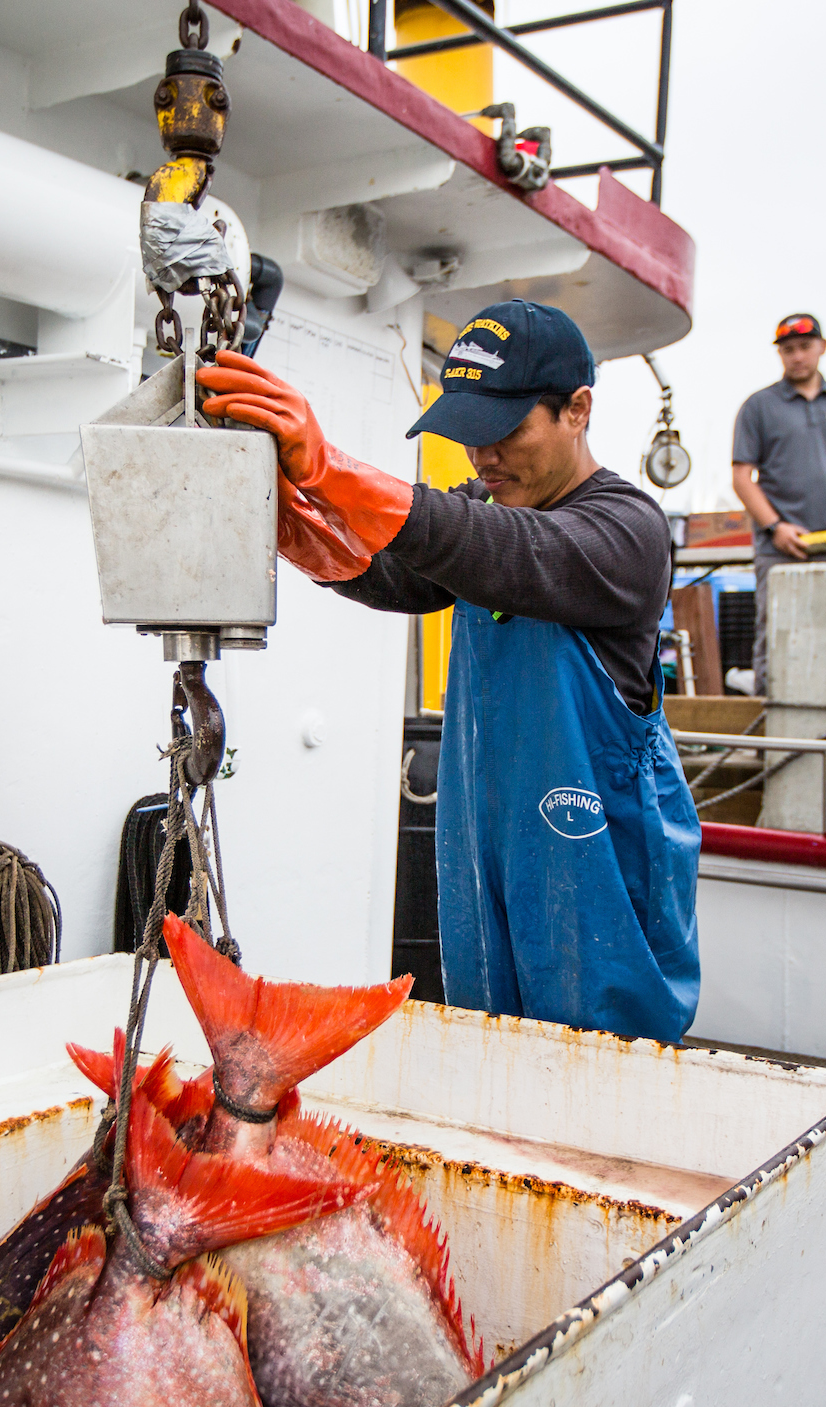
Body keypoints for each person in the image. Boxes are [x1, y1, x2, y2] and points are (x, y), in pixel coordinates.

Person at [196, 300, 699, 1042]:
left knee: (605, 1090)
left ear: (577, 410)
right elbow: (393, 569)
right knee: (491, 1060)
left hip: (601, 891)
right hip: (489, 862)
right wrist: (283, 514)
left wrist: (329, 466)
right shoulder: (486, 509)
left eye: (504, 432)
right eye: (467, 438)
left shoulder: (627, 530)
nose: (484, 458)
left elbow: (496, 548)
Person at [729, 313, 826, 691]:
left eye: (804, 347)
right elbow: (741, 477)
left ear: (822, 348)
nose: (797, 356)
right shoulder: (758, 406)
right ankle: (772, 731)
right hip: (779, 551)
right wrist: (775, 526)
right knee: (776, 637)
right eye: (788, 350)